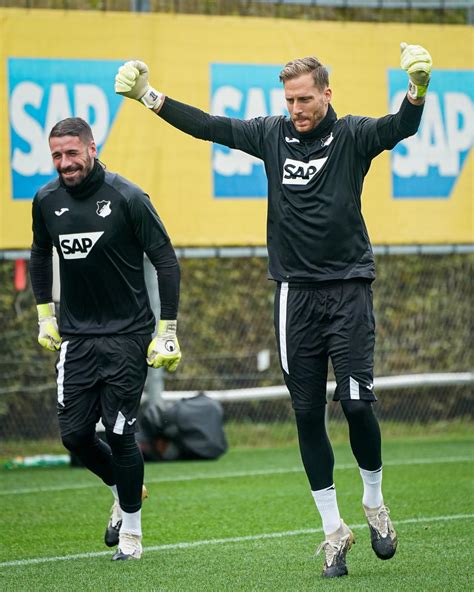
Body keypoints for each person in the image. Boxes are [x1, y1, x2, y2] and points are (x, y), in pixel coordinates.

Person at [114, 42, 432, 577]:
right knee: (307, 414)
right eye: (290, 100)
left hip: (348, 290)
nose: (296, 109)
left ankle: (375, 503)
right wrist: (150, 95)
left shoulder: (352, 135)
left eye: (305, 99)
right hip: (294, 296)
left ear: (326, 93)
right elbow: (209, 126)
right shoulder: (270, 134)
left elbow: (401, 126)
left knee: (356, 405)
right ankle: (333, 531)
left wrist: (417, 89)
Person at [30, 117, 182, 561]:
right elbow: (39, 253)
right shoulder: (46, 200)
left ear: (92, 149)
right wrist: (45, 316)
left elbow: (166, 260)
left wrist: (167, 330)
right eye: (57, 155)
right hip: (76, 338)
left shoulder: (128, 197)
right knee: (75, 436)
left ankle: (132, 534)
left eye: (72, 153)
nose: (65, 163)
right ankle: (122, 490)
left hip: (127, 336)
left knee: (119, 434)